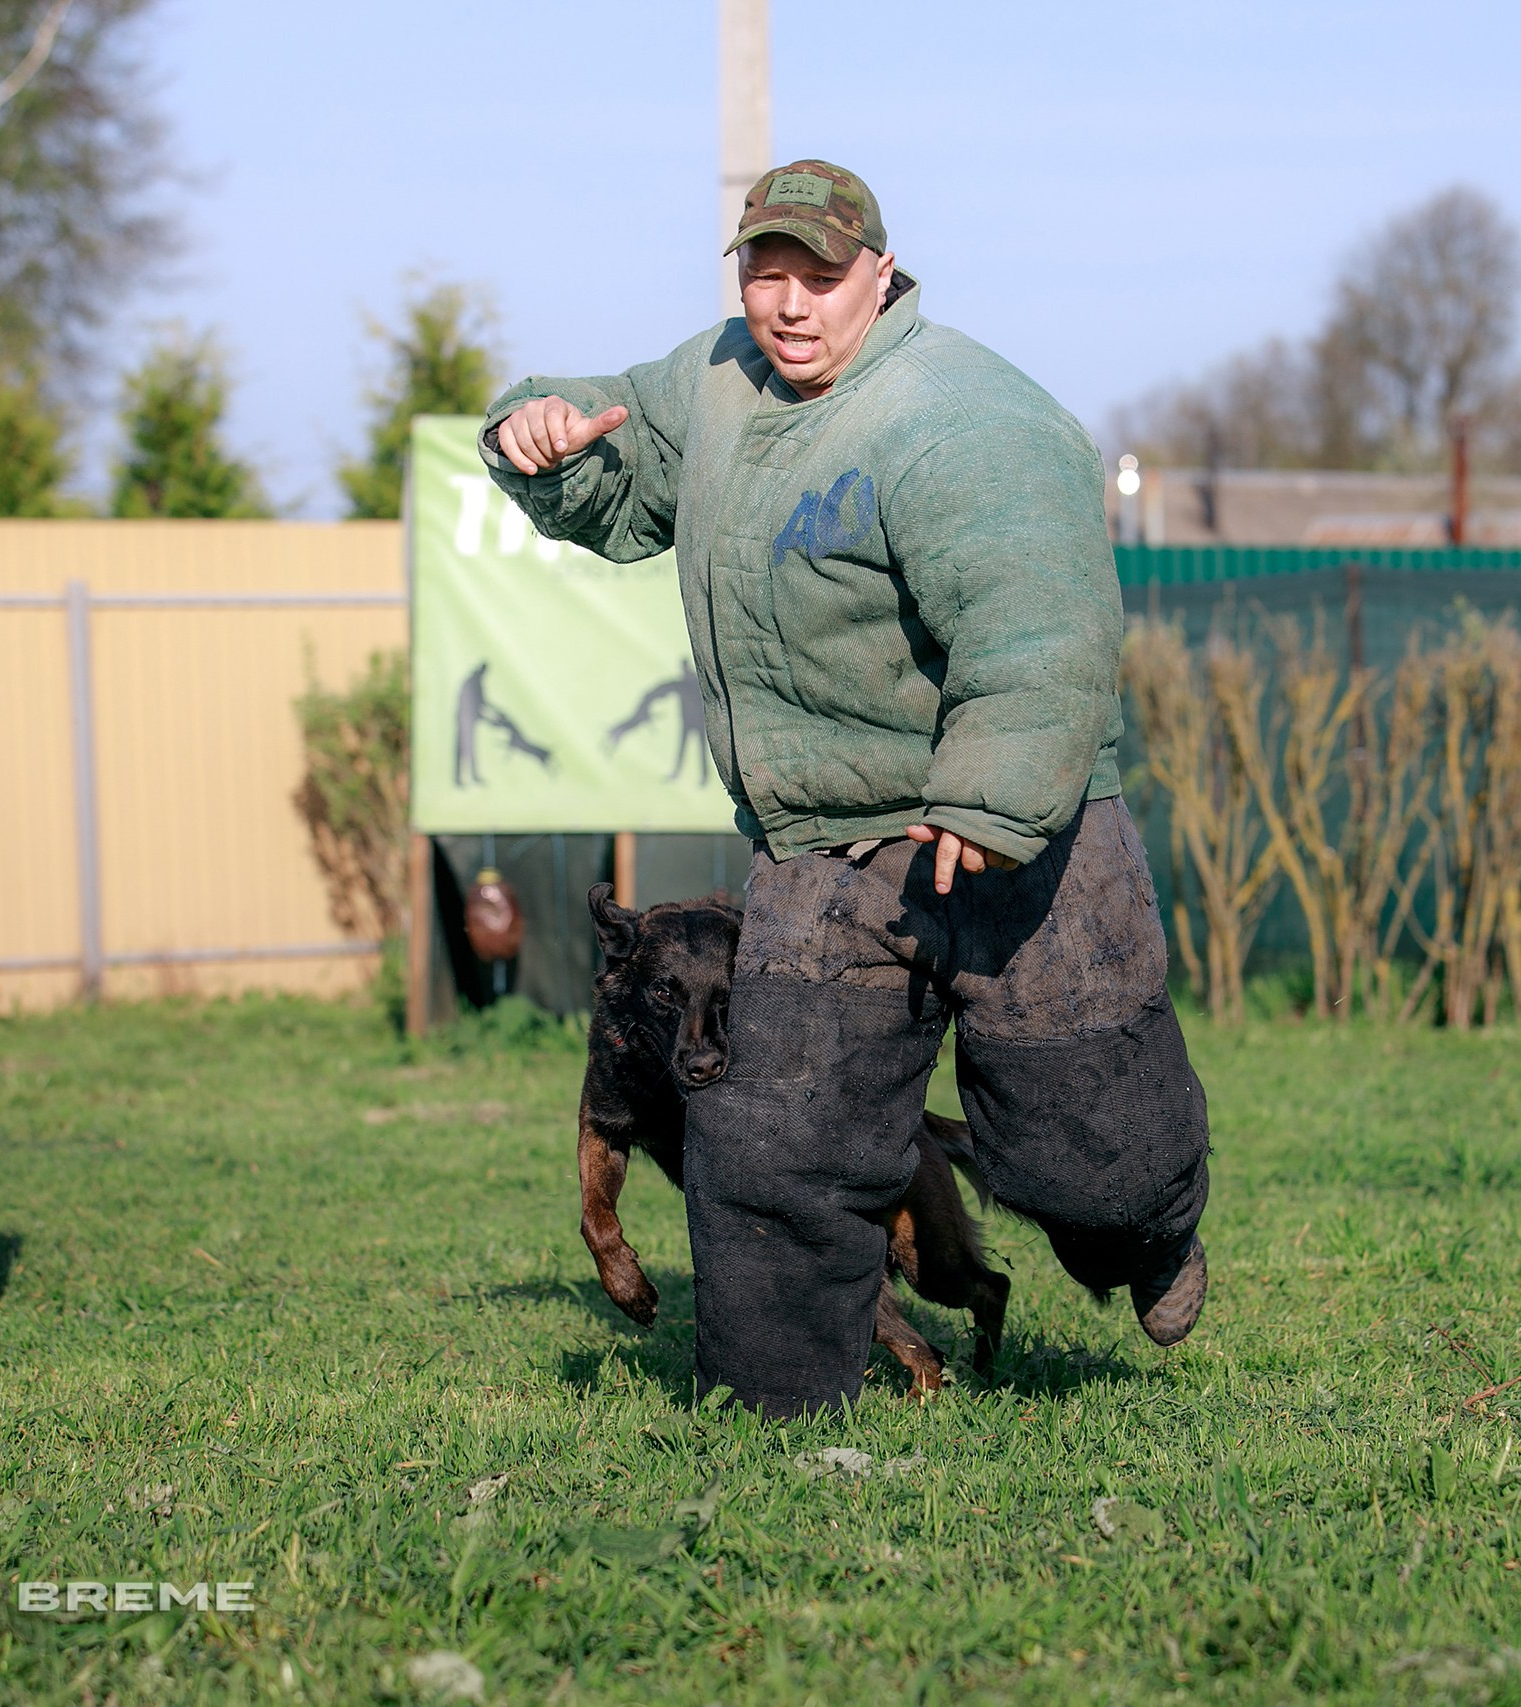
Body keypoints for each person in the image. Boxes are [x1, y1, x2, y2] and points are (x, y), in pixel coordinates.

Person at [481, 159, 1208, 1416]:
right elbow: (619, 447)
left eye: (820, 274)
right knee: (775, 1146)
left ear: (881, 272)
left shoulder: (964, 419)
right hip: (822, 844)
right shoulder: (714, 382)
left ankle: (1146, 1241)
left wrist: (985, 803)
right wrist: (534, 436)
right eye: (767, 272)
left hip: (1021, 833)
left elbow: (1041, 636)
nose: (790, 303)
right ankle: (768, 1410)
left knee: (1088, 1140)